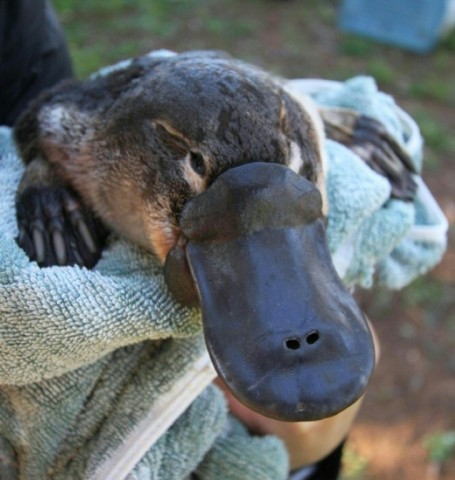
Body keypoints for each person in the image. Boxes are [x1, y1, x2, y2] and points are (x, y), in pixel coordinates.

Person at [0, 2, 379, 478]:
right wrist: (43, 178)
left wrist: (326, 121)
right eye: (196, 167)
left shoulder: (17, 24)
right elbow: (42, 120)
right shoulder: (96, 137)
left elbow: (287, 105)